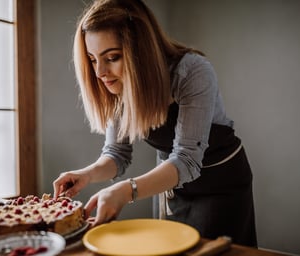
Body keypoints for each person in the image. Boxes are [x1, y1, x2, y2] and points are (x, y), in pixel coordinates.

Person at [53, 0, 257, 247]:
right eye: (93, 59)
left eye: (112, 57)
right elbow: (117, 154)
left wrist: (126, 190)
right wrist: (86, 174)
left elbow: (187, 159)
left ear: (141, 50)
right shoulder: (115, 85)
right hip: (168, 183)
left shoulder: (193, 71)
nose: (99, 73)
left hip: (220, 185)